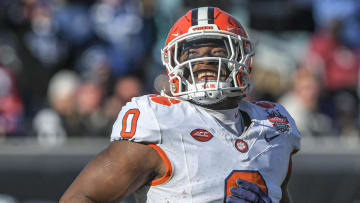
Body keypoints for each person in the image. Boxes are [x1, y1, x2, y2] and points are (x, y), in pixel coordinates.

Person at [60, 7, 301, 203]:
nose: (206, 61)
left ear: (243, 60)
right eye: (192, 55)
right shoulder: (159, 120)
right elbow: (81, 197)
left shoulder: (272, 125)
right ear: (173, 64)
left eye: (218, 50)